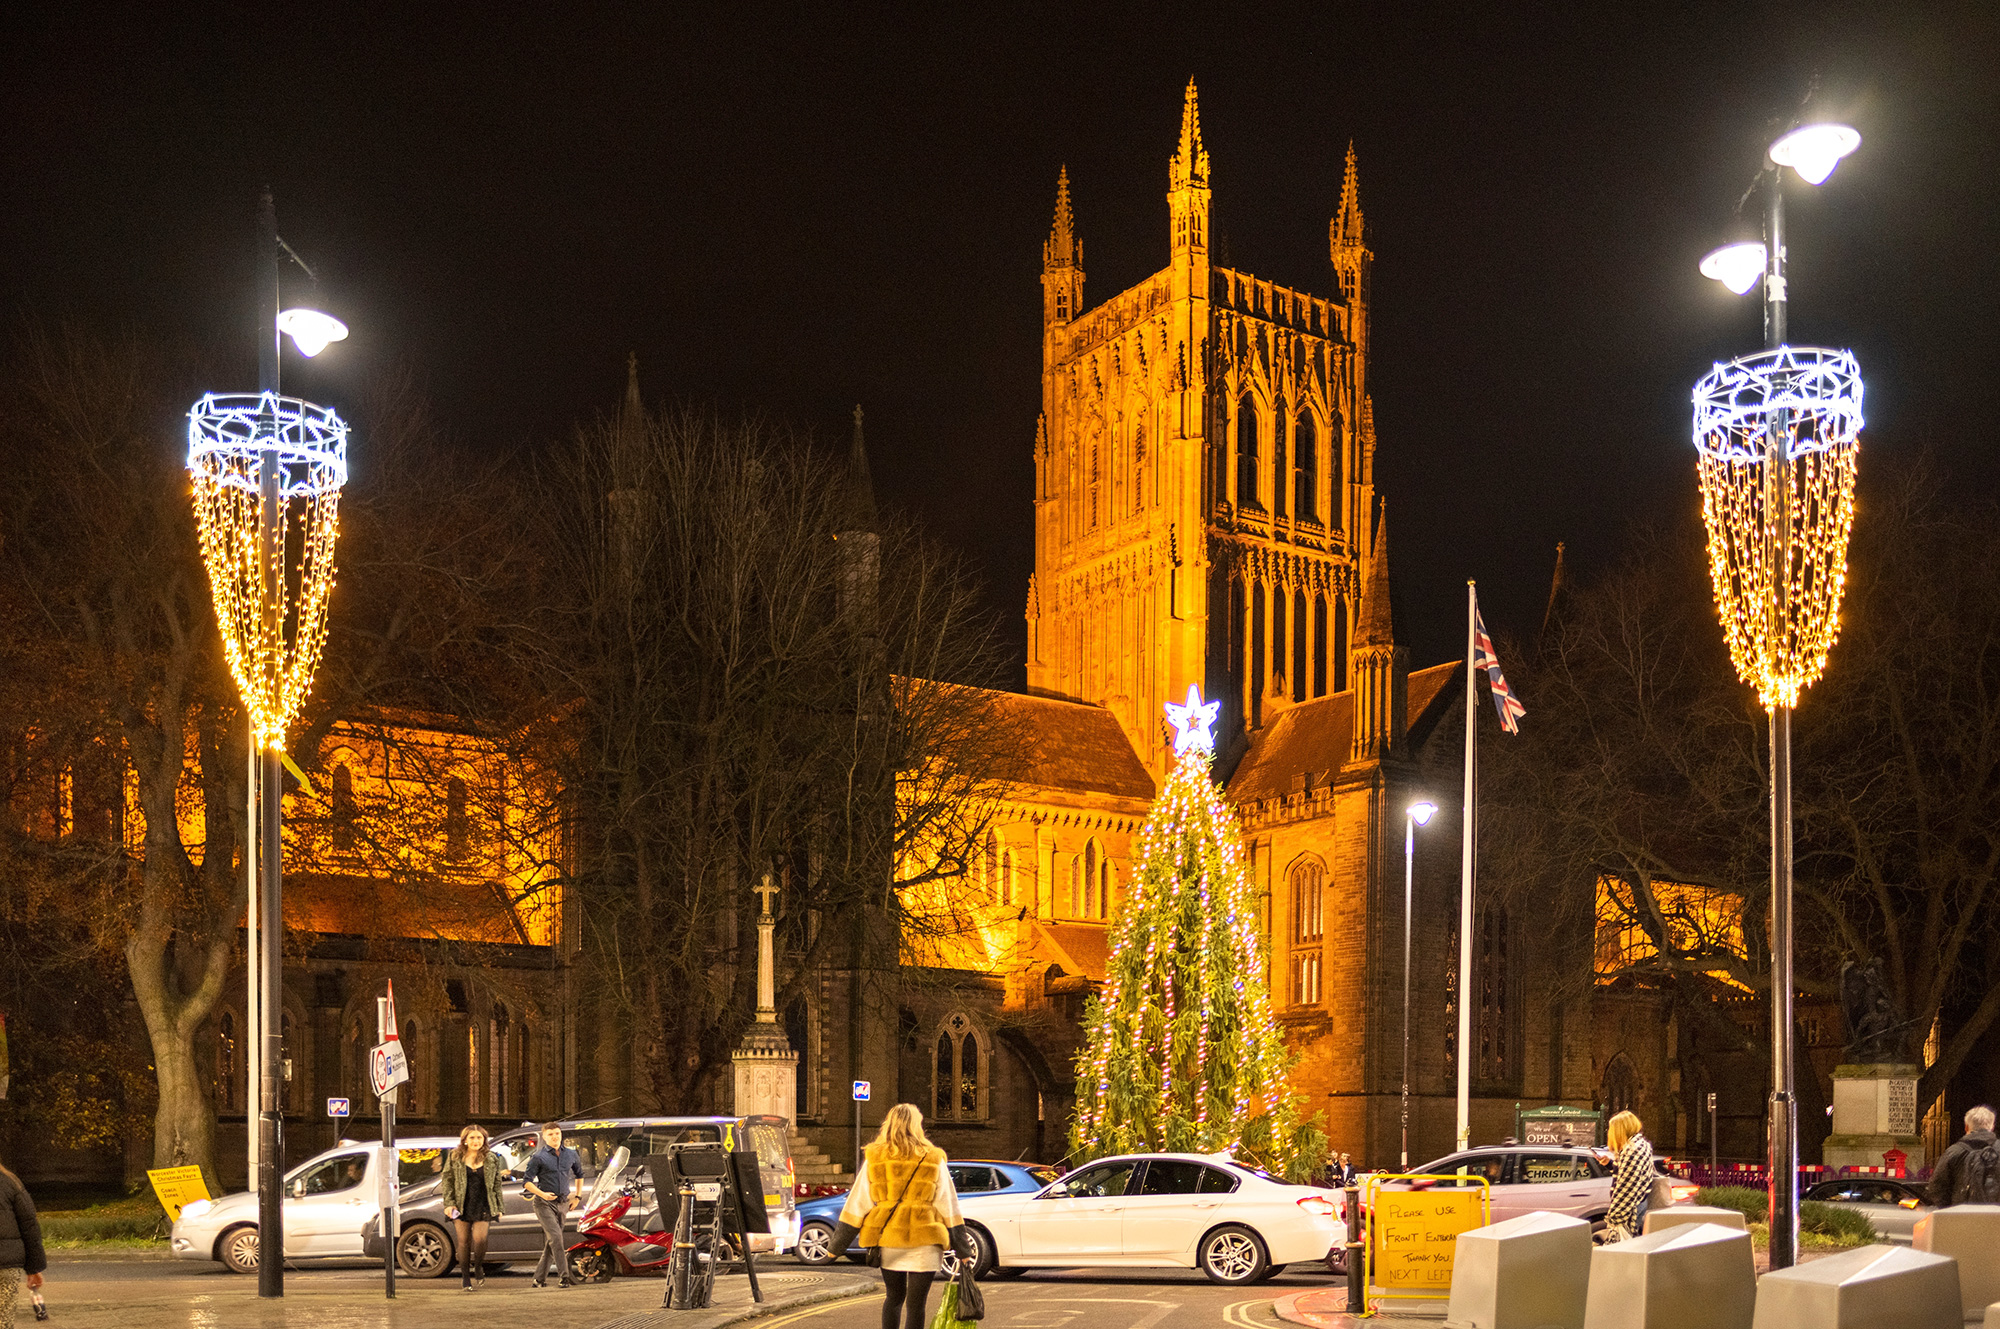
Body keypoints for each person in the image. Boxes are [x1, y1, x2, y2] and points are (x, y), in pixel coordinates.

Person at [834, 1104, 966, 1329]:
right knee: (917, 1305)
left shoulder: (875, 1158)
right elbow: (947, 1202)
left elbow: (858, 1200)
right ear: (917, 1125)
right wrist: (963, 1248)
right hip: (925, 1238)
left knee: (893, 1298)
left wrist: (836, 1245)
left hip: (889, 1238)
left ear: (889, 1123)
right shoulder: (933, 1157)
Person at [442, 1125, 504, 1291]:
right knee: (463, 1242)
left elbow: (497, 1184)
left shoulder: (491, 1158)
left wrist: (499, 1206)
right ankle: (465, 1277)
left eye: (479, 1138)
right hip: (461, 1203)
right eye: (472, 1138)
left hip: (484, 1202)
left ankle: (478, 1266)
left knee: (480, 1239)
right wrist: (449, 1203)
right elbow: (447, 1180)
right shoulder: (455, 1156)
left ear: (484, 1140)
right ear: (465, 1140)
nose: (476, 1141)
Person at [522, 1122, 582, 1288]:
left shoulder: (571, 1154)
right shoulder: (538, 1157)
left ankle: (539, 1279)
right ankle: (565, 1276)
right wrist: (542, 1194)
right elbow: (527, 1182)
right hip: (543, 1204)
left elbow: (579, 1174)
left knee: (552, 1242)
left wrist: (577, 1197)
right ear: (544, 1137)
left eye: (557, 1133)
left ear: (561, 1134)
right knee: (556, 1238)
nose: (555, 1137)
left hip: (563, 1203)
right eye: (550, 1134)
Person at [0, 1154, 45, 1329]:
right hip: (6, 1267)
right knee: (3, 1321)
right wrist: (33, 1268)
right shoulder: (11, 1182)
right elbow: (29, 1226)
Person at [1928, 1105, 2000, 1208]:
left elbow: (1937, 1186)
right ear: (1992, 1127)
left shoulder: (1954, 1151)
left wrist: (1950, 1209)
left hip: (1962, 1215)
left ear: (1966, 1127)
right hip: (1996, 1217)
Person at [1602, 1110, 1654, 1242]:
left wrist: (1614, 1218)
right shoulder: (1642, 1145)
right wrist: (1610, 1165)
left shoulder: (1631, 1150)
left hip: (1629, 1210)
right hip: (1639, 1203)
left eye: (1612, 1129)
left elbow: (1626, 1187)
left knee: (1622, 1250)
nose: (1610, 1133)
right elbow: (1630, 1173)